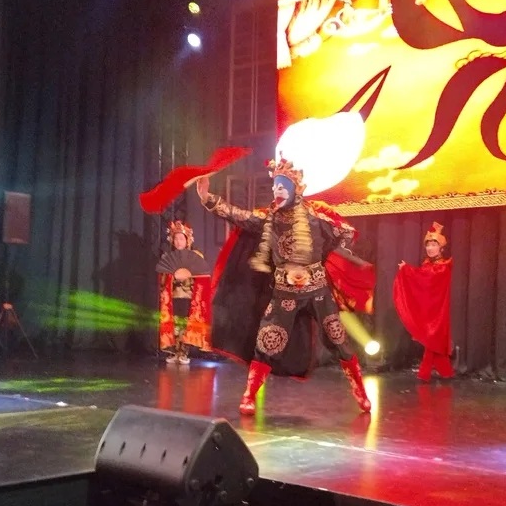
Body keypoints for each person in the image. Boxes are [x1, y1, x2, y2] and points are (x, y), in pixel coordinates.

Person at [196, 158, 374, 415]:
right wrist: (207, 198)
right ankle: (249, 395)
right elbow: (238, 215)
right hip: (285, 292)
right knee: (268, 341)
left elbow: (345, 233)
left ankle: (360, 392)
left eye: (282, 187)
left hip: (318, 292)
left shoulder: (316, 218)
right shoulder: (269, 219)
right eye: (274, 187)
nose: (276, 191)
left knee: (339, 340)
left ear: (295, 189)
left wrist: (331, 255)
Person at [393, 221, 454, 380]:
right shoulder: (428, 264)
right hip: (429, 308)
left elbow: (426, 278)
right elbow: (421, 278)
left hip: (438, 310)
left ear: (441, 248)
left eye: (434, 245)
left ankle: (425, 372)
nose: (430, 248)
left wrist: (407, 270)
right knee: (432, 339)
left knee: (432, 338)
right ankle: (445, 372)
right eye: (428, 245)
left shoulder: (443, 267)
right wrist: (407, 271)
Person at [156, 220, 211, 364]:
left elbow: (202, 276)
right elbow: (162, 280)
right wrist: (170, 276)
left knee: (185, 324)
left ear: (187, 240)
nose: (178, 241)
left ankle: (184, 352)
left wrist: (187, 275)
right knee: (175, 324)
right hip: (173, 296)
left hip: (188, 296)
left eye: (181, 238)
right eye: (176, 239)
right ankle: (175, 351)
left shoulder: (195, 255)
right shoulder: (168, 257)